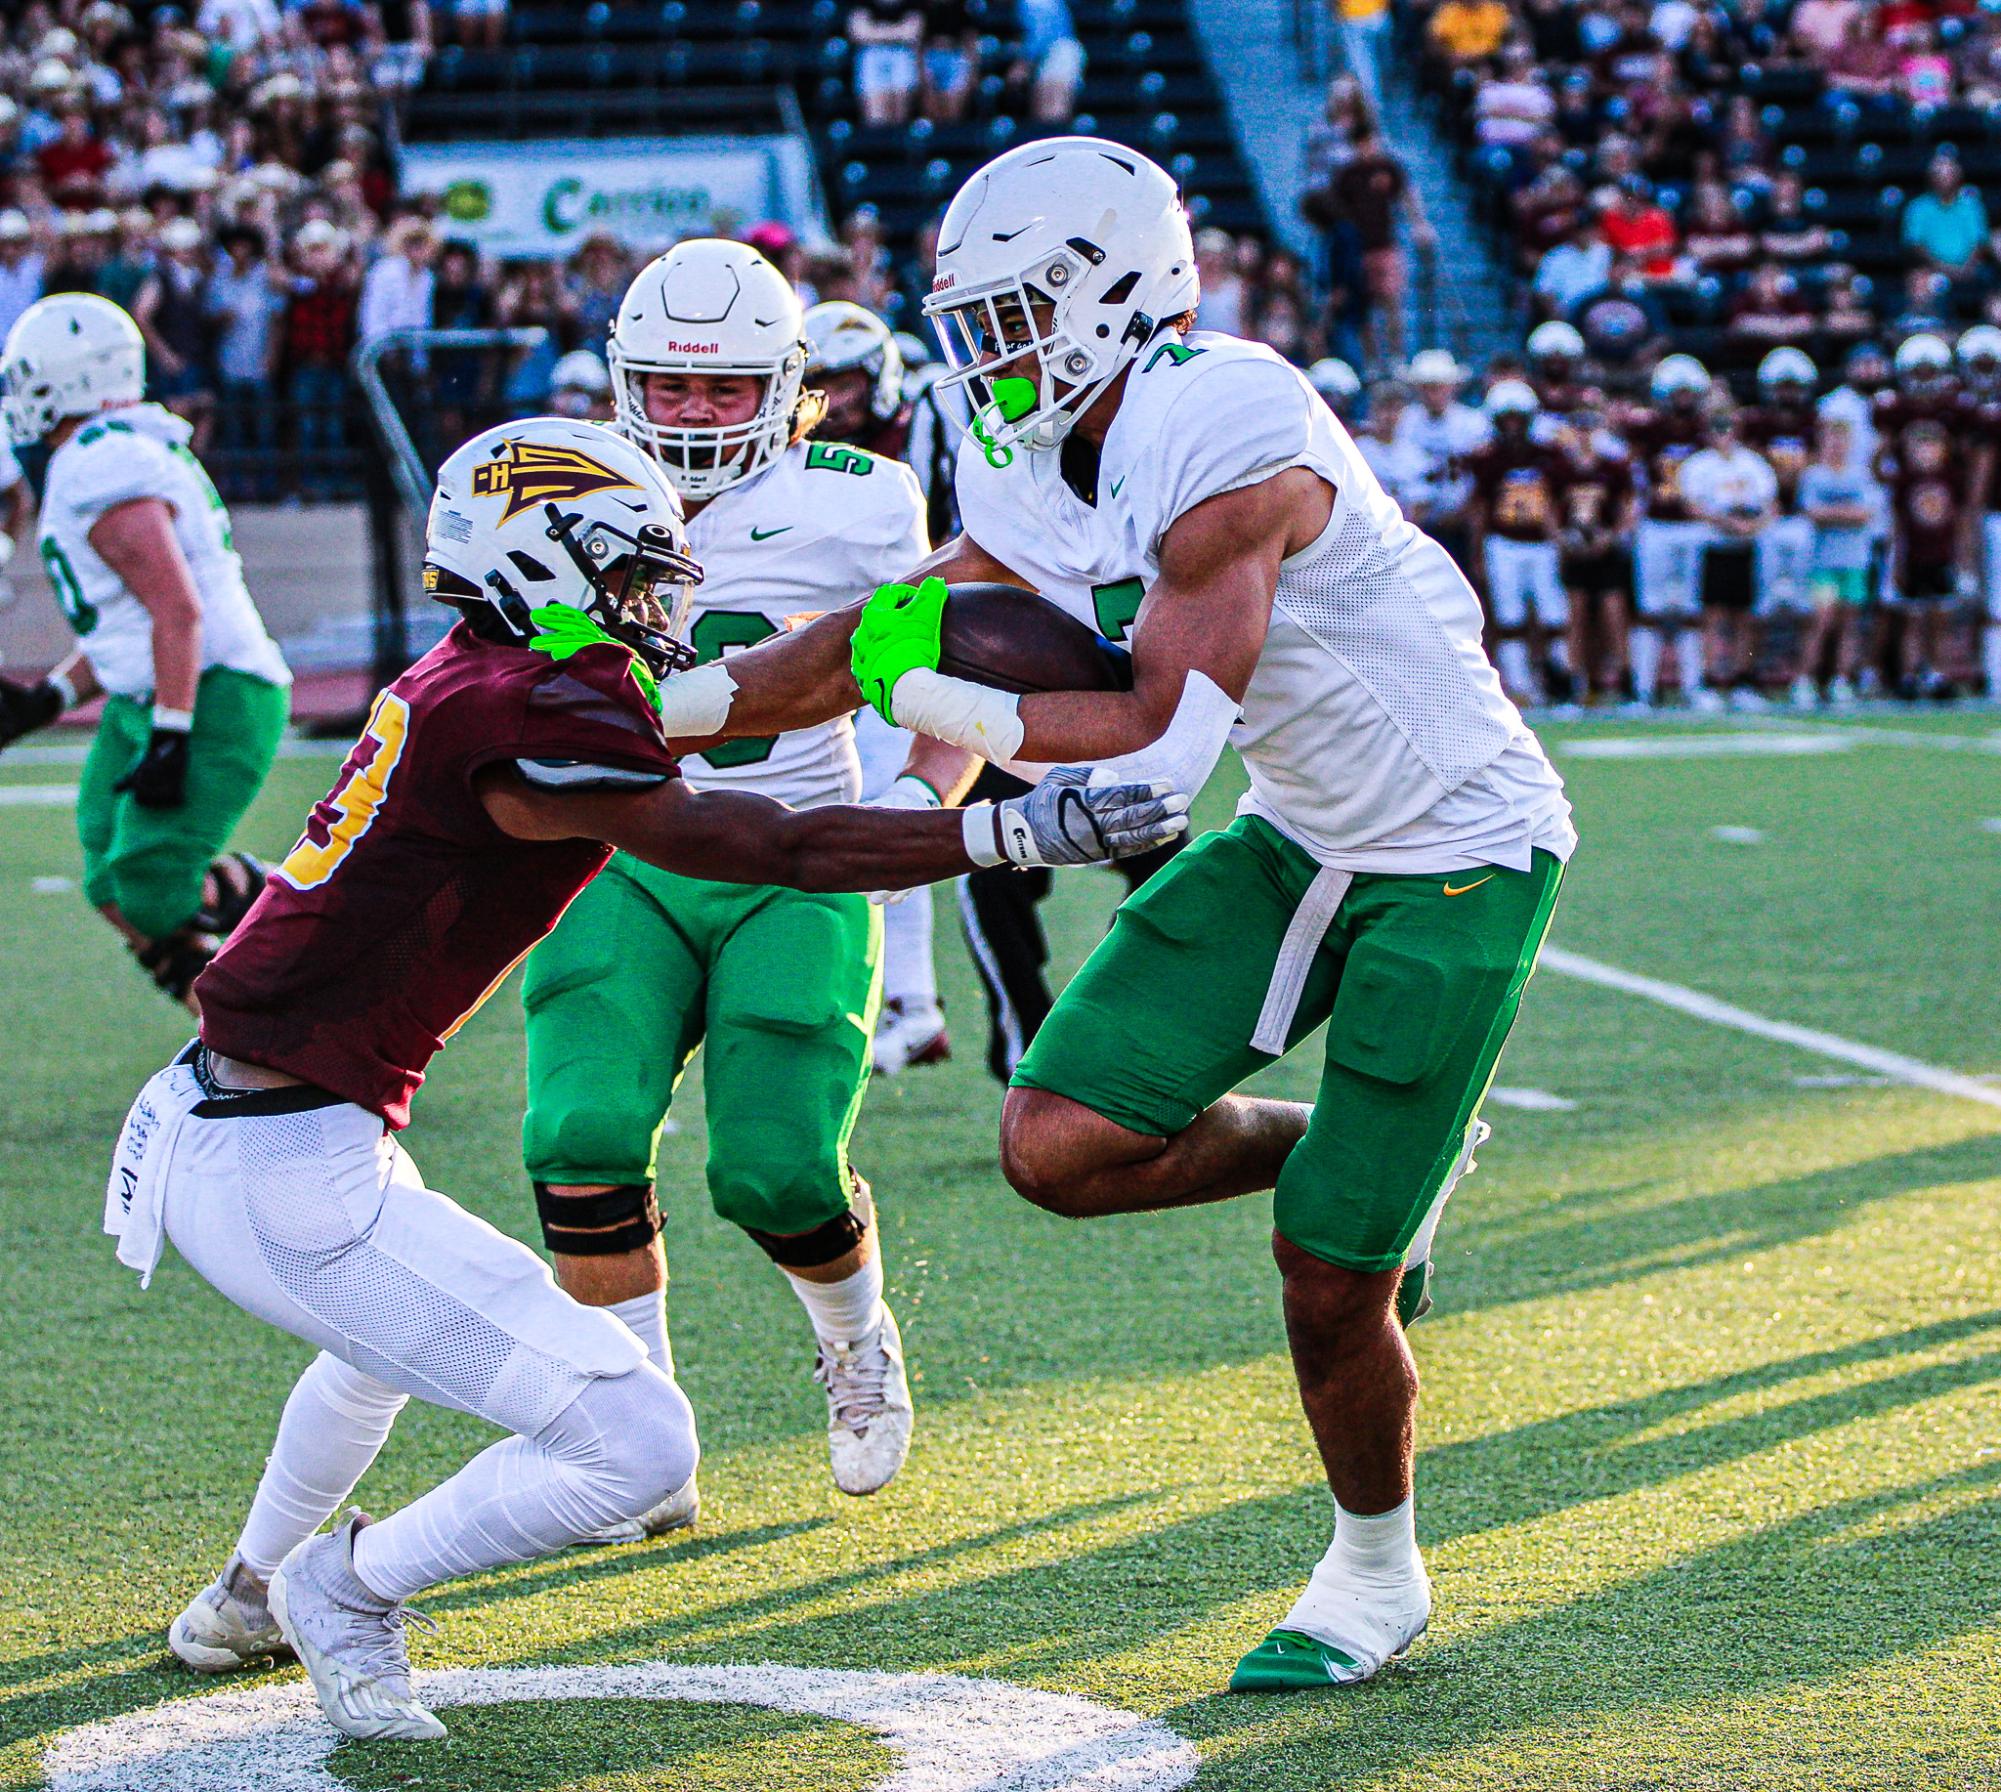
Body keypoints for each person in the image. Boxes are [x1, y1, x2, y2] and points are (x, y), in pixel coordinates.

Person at [650, 137, 1577, 1691]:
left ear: (1121, 291)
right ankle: (1385, 1155)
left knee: (1326, 1273)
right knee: (1056, 1147)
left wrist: (941, 707)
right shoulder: (1031, 442)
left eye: (1017, 312)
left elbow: (1157, 747)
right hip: (1304, 830)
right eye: (978, 315)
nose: (989, 348)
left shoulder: (1227, 419)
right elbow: (906, 617)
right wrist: (665, 707)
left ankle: (1373, 1569)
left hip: (1458, 851)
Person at [140, 414, 1180, 1739]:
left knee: (381, 1351)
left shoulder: (496, 672)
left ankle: (240, 1598)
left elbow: (767, 691)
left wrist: (897, 643)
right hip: (276, 1154)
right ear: (540, 564)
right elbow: (775, 844)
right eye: (631, 566)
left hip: (250, 1118)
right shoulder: (541, 701)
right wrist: (1005, 829)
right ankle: (339, 1588)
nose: (659, 593)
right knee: (639, 1447)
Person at [519, 242, 970, 1528]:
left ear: (788, 386)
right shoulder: (554, 487)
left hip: (798, 850)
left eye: (724, 391)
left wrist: (920, 797)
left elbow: (956, 674)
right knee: (581, 1132)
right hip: (627, 856)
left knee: (774, 1166)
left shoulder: (864, 500)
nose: (695, 415)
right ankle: (637, 1436)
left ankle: (858, 1340)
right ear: (624, 382)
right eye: (670, 387)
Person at [0, 294, 290, 1008]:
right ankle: (226, 1032)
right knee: (110, 882)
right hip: (156, 692)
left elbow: (177, 611)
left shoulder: (104, 463)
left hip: (211, 692)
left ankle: (321, 899)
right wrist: (51, 698)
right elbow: (129, 628)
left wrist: (171, 734)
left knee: (154, 888)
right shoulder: (103, 453)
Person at [803, 299, 955, 1075]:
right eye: (820, 383)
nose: (837, 401)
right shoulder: (810, 452)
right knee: (878, 816)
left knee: (894, 813)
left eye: (847, 382)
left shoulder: (935, 419)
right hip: (877, 647)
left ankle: (914, 1005)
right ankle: (911, 1005)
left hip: (946, 641)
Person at [1464, 379, 1579, 705]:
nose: (1513, 426)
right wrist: (1478, 553)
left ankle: (1560, 683)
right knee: (1510, 618)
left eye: (1519, 418)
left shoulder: (1548, 454)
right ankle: (1520, 687)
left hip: (1542, 543)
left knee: (1554, 616)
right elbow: (1481, 509)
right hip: (1504, 542)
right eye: (1507, 419)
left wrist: (1560, 541)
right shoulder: (1490, 458)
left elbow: (1560, 502)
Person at [1623, 352, 1716, 707]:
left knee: (1691, 608)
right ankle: (1643, 689)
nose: (1684, 400)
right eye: (1677, 394)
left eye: (1689, 393)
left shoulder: (1706, 430)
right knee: (1649, 608)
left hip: (1693, 525)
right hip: (1657, 524)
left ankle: (1694, 686)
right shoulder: (1647, 430)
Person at [1680, 400, 1779, 709]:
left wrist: (1752, 526)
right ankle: (1711, 679)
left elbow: (1770, 505)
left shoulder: (1752, 464)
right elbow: (1693, 506)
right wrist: (1726, 523)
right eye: (1717, 428)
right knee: (1713, 614)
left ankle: (1742, 678)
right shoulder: (1699, 465)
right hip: (1714, 546)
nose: (1723, 434)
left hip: (1745, 546)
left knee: (1744, 615)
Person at [1796, 413, 1881, 706]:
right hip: (1823, 564)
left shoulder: (1860, 475)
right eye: (1831, 438)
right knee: (1821, 621)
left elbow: (1866, 514)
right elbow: (1813, 513)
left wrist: (1836, 514)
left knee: (1850, 623)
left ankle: (1842, 679)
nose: (1836, 445)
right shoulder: (1813, 476)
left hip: (1854, 562)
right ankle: (1806, 679)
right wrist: (1845, 513)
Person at [1884, 419, 1969, 698]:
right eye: (1920, 446)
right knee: (1913, 618)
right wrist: (1896, 561)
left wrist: (1963, 558)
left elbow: (1959, 521)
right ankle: (1909, 675)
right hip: (1914, 558)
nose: (1926, 453)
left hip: (1942, 556)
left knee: (1939, 619)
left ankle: (1937, 673)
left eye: (1932, 446)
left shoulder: (1951, 478)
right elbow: (1897, 525)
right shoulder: (1905, 481)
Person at [1743, 347, 1820, 632]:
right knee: (1763, 599)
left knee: (1803, 600)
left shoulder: (1815, 422)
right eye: (1782, 387)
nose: (1787, 395)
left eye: (1793, 387)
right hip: (1766, 518)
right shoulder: (1755, 423)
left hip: (1805, 516)